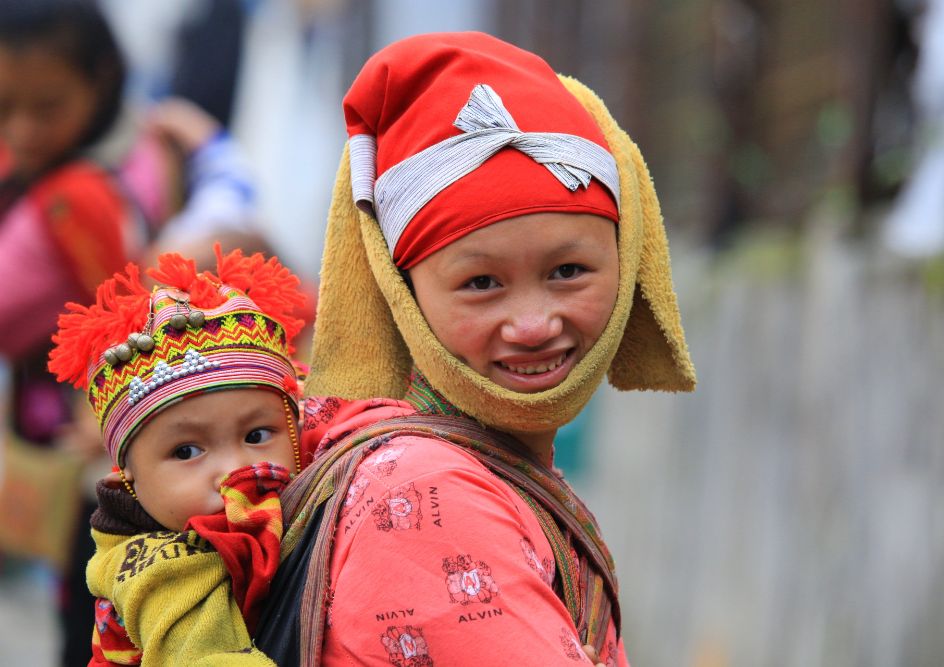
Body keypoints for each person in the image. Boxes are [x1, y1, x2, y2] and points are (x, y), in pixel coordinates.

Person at [255, 32, 697, 666]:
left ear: (625, 260)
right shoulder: (428, 496)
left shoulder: (467, 461)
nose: (533, 324)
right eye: (481, 284)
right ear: (401, 291)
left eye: (569, 271)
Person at [0, 2, 266, 662]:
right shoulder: (105, 154)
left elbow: (126, 307)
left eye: (46, 105)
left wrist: (105, 410)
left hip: (93, 458)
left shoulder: (78, 197)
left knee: (95, 617)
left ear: (103, 78)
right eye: (4, 106)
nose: (22, 129)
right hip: (71, 449)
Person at [48, 247, 308, 665]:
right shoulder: (158, 567)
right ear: (127, 478)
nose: (234, 468)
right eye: (186, 451)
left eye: (258, 434)